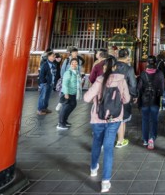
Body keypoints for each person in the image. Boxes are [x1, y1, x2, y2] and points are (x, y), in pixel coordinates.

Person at [84, 55, 130, 193]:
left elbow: (86, 98)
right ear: (115, 67)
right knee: (109, 148)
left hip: (98, 118)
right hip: (114, 119)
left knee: (97, 143)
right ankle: (105, 181)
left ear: (104, 67)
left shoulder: (99, 80)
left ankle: (93, 168)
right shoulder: (121, 80)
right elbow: (126, 99)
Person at [137, 55, 164, 150]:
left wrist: (138, 98)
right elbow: (162, 88)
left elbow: (139, 88)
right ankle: (152, 138)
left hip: (144, 100)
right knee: (154, 119)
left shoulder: (143, 74)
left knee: (145, 119)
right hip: (155, 100)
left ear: (147, 63)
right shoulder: (159, 73)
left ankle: (145, 139)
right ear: (155, 63)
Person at [114, 48, 137, 148]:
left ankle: (109, 140)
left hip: (110, 94)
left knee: (112, 117)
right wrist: (134, 95)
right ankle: (120, 140)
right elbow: (132, 84)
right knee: (122, 118)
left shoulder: (112, 66)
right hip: (124, 95)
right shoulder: (129, 69)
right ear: (127, 56)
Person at [57, 58, 82, 130]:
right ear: (70, 64)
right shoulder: (68, 72)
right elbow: (65, 84)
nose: (74, 64)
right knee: (65, 108)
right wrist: (66, 93)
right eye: (72, 63)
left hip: (73, 93)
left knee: (73, 105)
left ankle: (64, 121)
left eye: (76, 63)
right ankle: (61, 123)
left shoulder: (76, 72)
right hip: (68, 93)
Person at [37, 51, 56, 115]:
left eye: (54, 56)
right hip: (45, 83)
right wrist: (44, 82)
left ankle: (44, 108)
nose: (53, 57)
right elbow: (41, 75)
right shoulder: (45, 64)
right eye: (52, 56)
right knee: (42, 97)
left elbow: (53, 74)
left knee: (47, 97)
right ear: (48, 57)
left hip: (51, 83)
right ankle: (39, 110)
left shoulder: (53, 64)